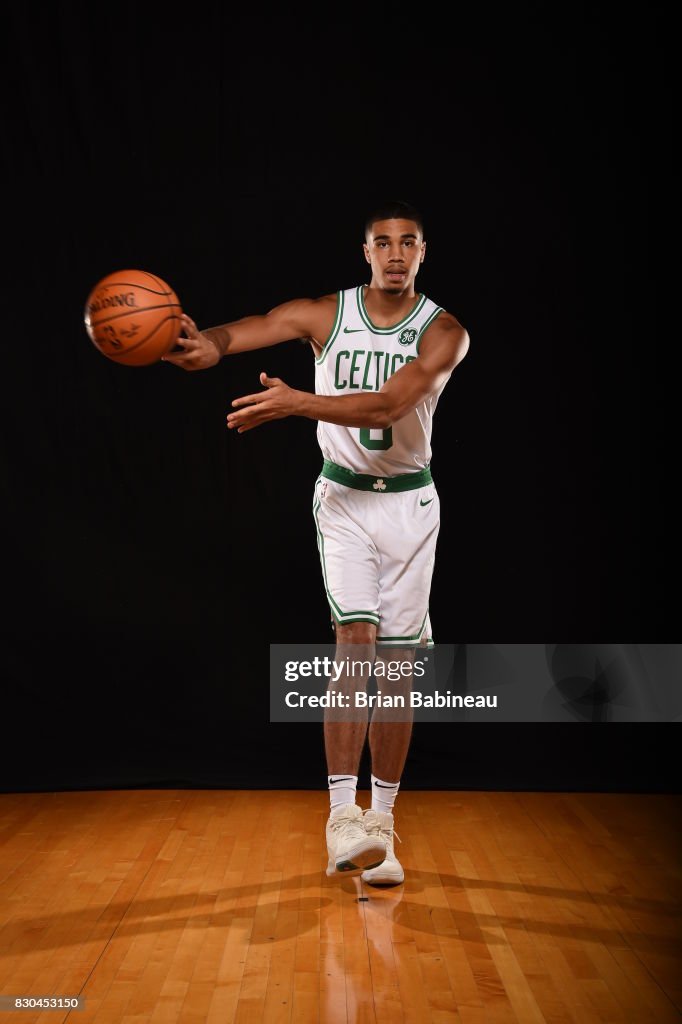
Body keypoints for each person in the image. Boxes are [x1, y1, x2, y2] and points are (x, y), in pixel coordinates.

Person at [163, 200, 470, 885]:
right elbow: (255, 329)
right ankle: (340, 816)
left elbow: (391, 405)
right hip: (345, 501)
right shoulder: (327, 315)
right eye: (382, 242)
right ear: (365, 252)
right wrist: (203, 343)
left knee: (396, 670)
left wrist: (299, 402)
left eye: (408, 243)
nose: (395, 253)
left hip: (413, 508)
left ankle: (382, 828)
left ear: (423, 254)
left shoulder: (444, 331)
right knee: (354, 641)